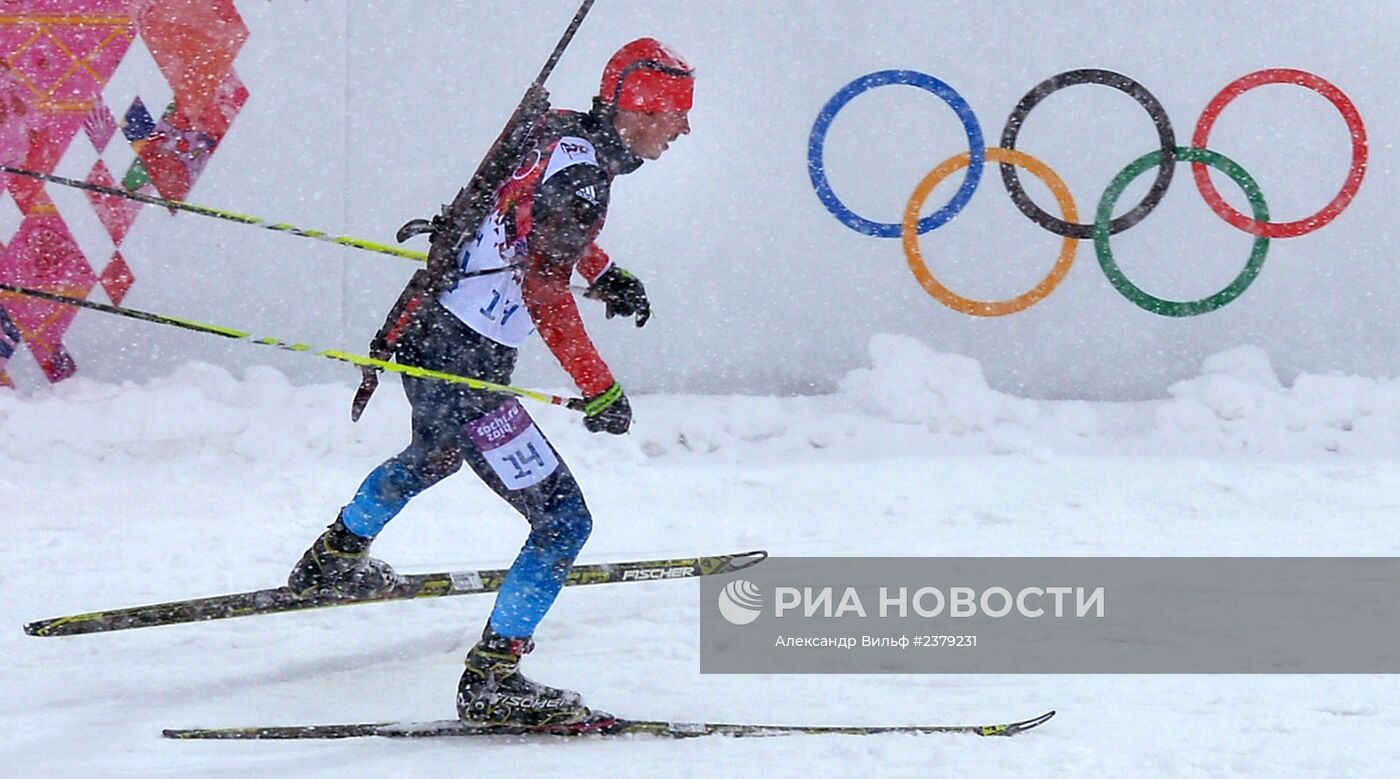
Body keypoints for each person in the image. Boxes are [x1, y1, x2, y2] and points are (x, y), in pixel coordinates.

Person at [286, 38, 694, 728]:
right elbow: (543, 284)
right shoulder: (586, 176)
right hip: (469, 369)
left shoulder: (564, 135)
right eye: (676, 114)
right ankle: (493, 678)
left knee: (435, 454)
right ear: (640, 109)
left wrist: (603, 271)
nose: (684, 129)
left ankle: (333, 558)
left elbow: (528, 220)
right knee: (565, 521)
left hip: (431, 336)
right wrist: (599, 386)